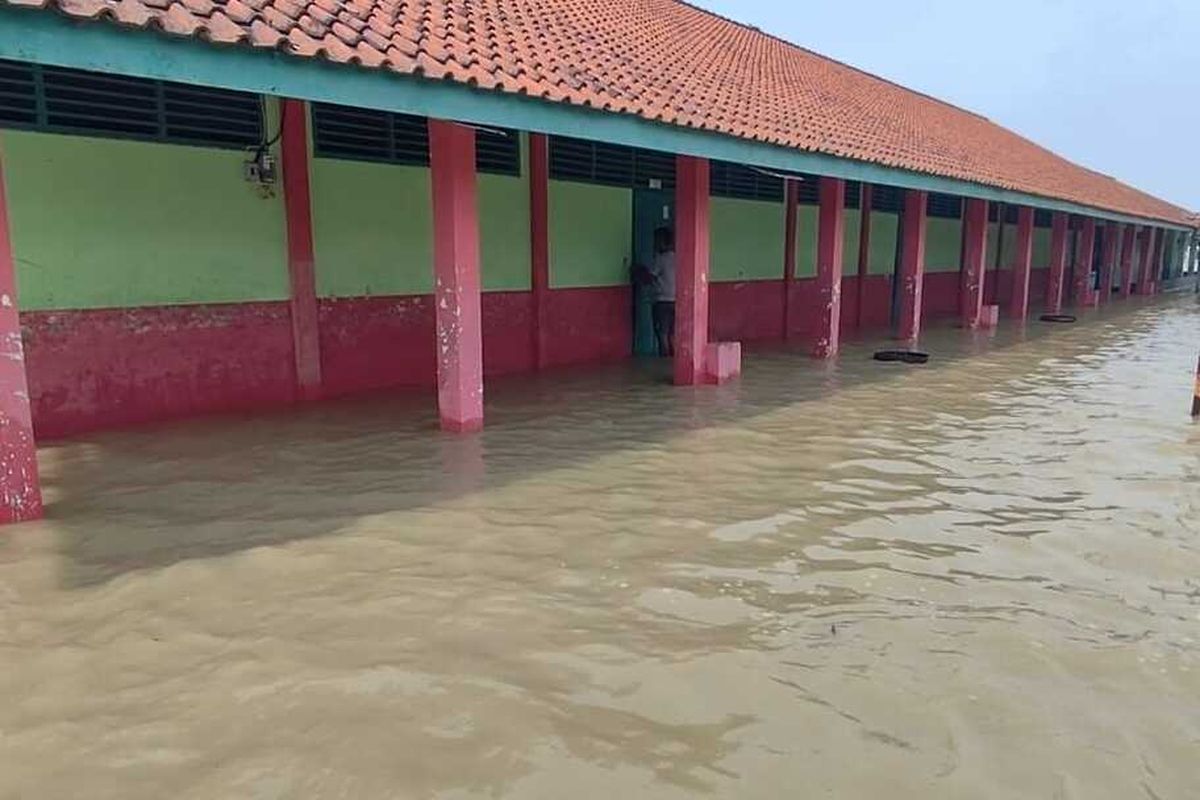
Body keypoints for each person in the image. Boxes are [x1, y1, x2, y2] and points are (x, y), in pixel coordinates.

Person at [646, 226, 676, 357]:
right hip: (676, 300)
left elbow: (650, 277)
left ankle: (663, 360)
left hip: (662, 300)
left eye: (657, 240)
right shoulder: (678, 257)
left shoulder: (660, 258)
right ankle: (672, 361)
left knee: (662, 333)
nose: (655, 244)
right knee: (671, 334)